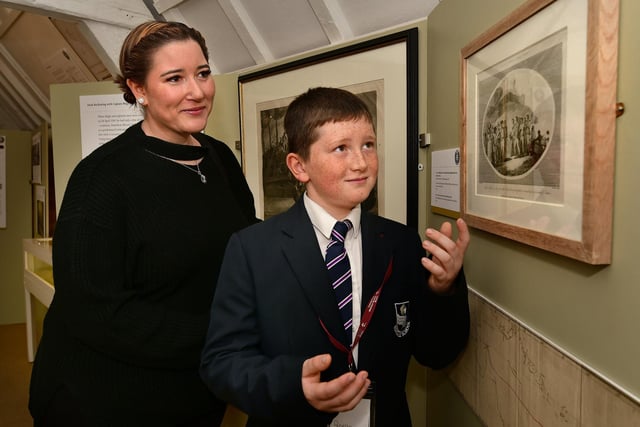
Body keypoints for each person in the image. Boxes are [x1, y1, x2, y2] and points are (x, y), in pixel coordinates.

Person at [29, 21, 258, 426]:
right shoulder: (101, 178)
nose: (197, 91)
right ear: (138, 90)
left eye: (203, 73)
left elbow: (244, 235)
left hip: (194, 389)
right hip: (107, 399)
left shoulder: (219, 157)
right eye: (175, 78)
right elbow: (94, 310)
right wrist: (219, 336)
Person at [200, 87, 470, 426]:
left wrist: (443, 289)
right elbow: (222, 363)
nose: (361, 162)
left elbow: (436, 352)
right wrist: (293, 384)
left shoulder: (401, 243)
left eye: (368, 145)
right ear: (299, 167)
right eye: (340, 148)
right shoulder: (252, 249)